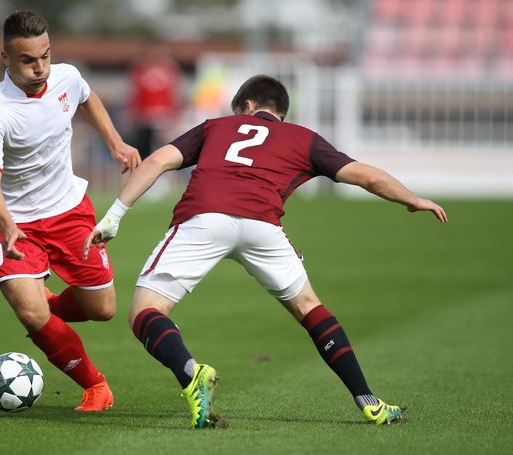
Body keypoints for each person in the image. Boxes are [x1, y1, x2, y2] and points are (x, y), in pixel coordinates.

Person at [84, 75, 448, 428]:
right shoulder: (304, 138)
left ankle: (190, 373)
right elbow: (366, 176)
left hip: (204, 218)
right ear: (281, 113)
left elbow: (157, 161)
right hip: (263, 227)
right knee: (310, 308)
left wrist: (114, 217)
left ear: (248, 105)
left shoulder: (216, 126)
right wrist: (412, 199)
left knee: (145, 312)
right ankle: (368, 401)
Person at [0, 11, 140, 412]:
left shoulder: (65, 76)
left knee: (103, 310)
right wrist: (7, 225)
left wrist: (115, 142)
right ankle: (95, 386)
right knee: (31, 313)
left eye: (45, 56)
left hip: (69, 211)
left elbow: (86, 95)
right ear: (5, 58)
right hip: (16, 225)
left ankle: (45, 312)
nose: (40, 67)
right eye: (28, 60)